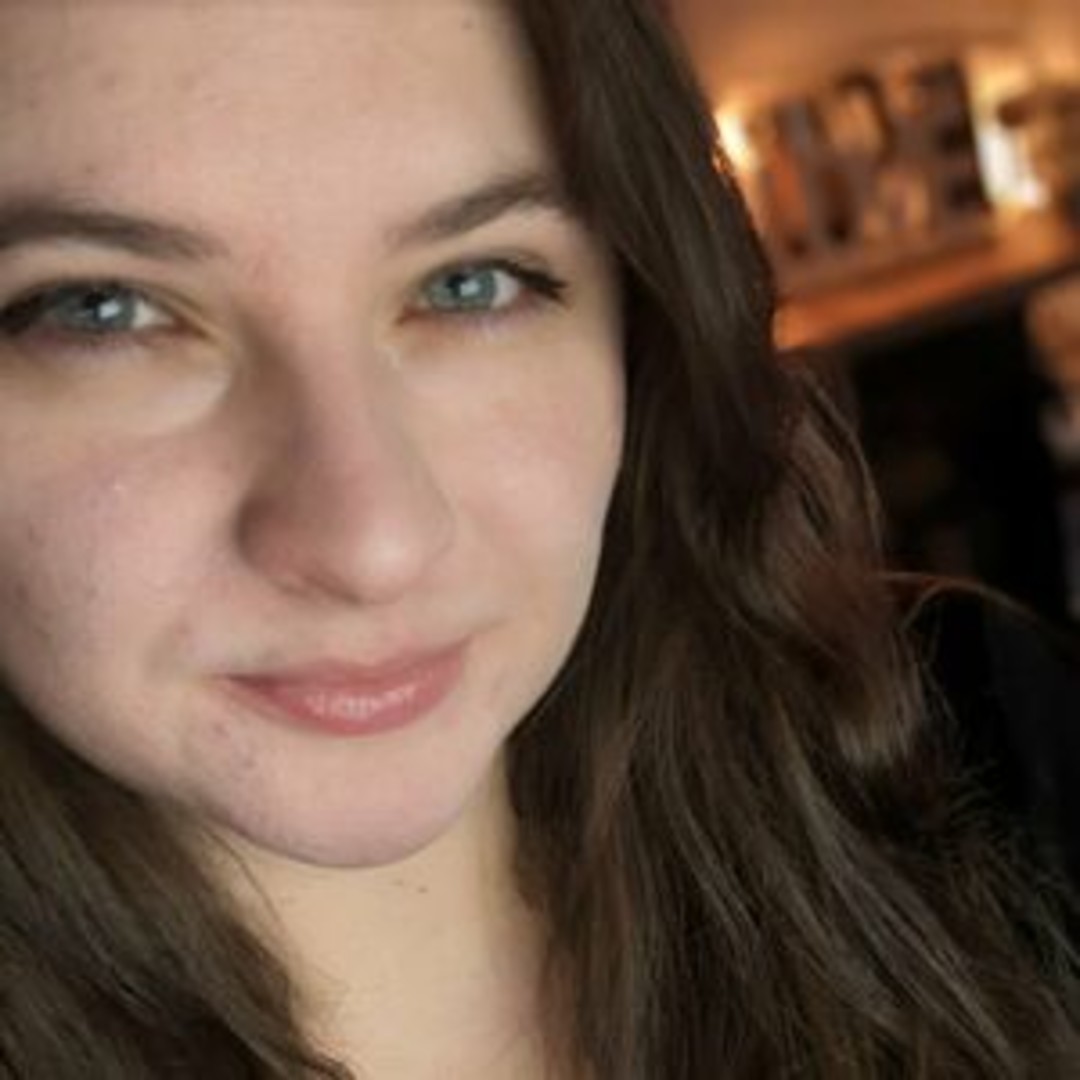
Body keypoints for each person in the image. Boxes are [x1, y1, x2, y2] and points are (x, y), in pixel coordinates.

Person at [0, 1, 1075, 1077]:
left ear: (640, 323)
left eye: (470, 284)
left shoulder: (991, 765)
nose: (374, 542)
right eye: (101, 310)